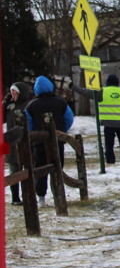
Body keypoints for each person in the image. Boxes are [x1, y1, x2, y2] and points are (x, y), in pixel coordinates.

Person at [24, 76, 75, 207]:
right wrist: (62, 131)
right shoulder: (61, 103)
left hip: (38, 143)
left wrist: (32, 135)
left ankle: (41, 198)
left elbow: (27, 123)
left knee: (40, 169)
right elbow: (69, 118)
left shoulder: (31, 105)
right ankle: (58, 194)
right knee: (57, 167)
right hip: (57, 142)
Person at [72, 74, 120, 165]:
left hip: (108, 124)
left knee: (109, 145)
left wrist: (73, 86)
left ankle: (110, 161)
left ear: (107, 82)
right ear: (117, 83)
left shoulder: (103, 91)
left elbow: (86, 92)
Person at [3, 81, 32, 204]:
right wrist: (4, 104)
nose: (12, 93)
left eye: (14, 91)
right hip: (11, 144)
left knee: (28, 170)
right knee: (13, 170)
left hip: (25, 143)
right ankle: (15, 198)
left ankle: (29, 196)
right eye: (11, 91)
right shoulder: (10, 106)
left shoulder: (28, 105)